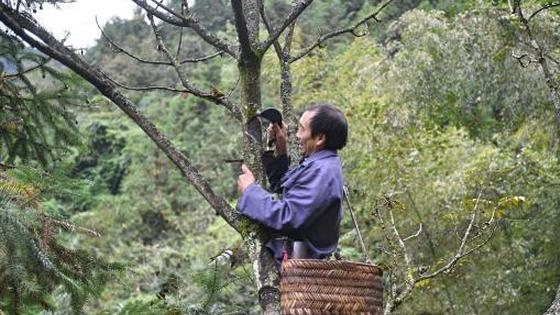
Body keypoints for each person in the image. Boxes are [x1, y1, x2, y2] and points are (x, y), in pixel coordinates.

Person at [237, 103, 348, 266]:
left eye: (302, 129)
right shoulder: (320, 164)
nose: (297, 135)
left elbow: (288, 216)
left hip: (301, 271)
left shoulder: (322, 172)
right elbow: (285, 187)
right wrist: (279, 148)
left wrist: (250, 191)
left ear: (320, 138)